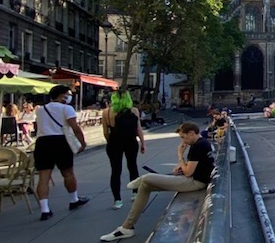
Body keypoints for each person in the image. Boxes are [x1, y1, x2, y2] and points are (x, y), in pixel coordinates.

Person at [100, 121, 215, 241]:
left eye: (183, 137)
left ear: (191, 133)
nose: (183, 141)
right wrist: (181, 166)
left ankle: (139, 180)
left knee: (148, 178)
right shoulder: (202, 143)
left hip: (194, 183)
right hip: (194, 180)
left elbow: (188, 172)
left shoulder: (198, 146)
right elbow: (195, 167)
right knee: (146, 186)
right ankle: (127, 227)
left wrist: (180, 155)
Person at [34, 85, 89, 221]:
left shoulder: (41, 109)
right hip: (60, 142)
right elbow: (75, 127)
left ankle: (45, 209)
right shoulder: (66, 108)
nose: (69, 96)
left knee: (43, 177)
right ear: (61, 95)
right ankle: (73, 199)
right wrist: (82, 143)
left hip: (42, 143)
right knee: (68, 173)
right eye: (68, 94)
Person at [102, 90, 145, 210]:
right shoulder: (134, 111)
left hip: (114, 142)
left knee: (115, 171)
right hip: (130, 141)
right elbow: (138, 129)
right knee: (132, 166)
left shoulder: (107, 112)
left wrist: (110, 141)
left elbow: (105, 132)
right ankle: (135, 193)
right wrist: (143, 143)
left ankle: (117, 200)